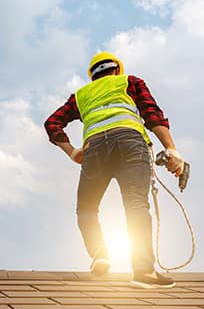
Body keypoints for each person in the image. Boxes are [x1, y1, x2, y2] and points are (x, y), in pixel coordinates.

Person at [44, 51, 185, 289]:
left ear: (93, 76)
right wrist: (171, 149)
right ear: (116, 69)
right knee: (136, 204)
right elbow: (151, 114)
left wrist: (71, 151)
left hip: (94, 149)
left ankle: (100, 255)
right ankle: (143, 271)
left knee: (87, 207)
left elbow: (52, 123)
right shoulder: (129, 81)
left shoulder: (81, 95)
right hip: (130, 142)